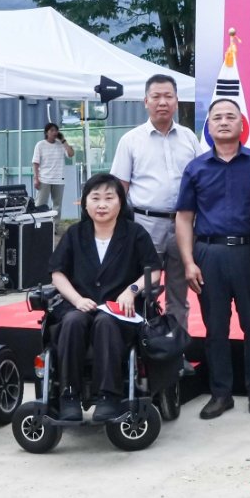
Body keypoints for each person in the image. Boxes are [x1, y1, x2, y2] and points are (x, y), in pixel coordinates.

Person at [36, 173, 161, 423]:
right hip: (80, 305)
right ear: (85, 203)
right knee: (72, 322)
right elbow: (57, 273)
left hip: (120, 310)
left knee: (105, 322)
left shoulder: (135, 233)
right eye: (95, 198)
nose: (101, 204)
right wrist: (76, 299)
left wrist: (131, 291)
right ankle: (68, 396)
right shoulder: (75, 234)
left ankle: (108, 396)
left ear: (121, 202)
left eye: (109, 198)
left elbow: (154, 271)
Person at [175, 97, 250, 420]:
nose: (224, 122)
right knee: (215, 327)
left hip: (249, 252)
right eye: (218, 117)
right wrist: (188, 261)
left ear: (242, 124)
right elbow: (184, 217)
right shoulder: (196, 168)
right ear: (209, 126)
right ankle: (220, 393)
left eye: (231, 116)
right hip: (209, 254)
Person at [110, 73, 203, 328]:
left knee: (178, 294)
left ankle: (175, 345)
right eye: (156, 96)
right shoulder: (130, 140)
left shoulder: (189, 138)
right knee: (144, 290)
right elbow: (119, 189)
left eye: (168, 96)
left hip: (183, 225)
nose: (163, 102)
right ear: (146, 101)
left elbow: (201, 181)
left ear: (177, 101)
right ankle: (143, 343)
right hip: (145, 226)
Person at [32, 122, 76, 213]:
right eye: (52, 130)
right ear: (46, 132)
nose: (54, 132)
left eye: (56, 130)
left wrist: (63, 140)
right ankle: (40, 221)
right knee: (40, 203)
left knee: (57, 205)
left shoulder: (61, 144)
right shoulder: (40, 145)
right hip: (44, 178)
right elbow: (36, 162)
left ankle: (55, 222)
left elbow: (71, 154)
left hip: (59, 178)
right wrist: (36, 178)